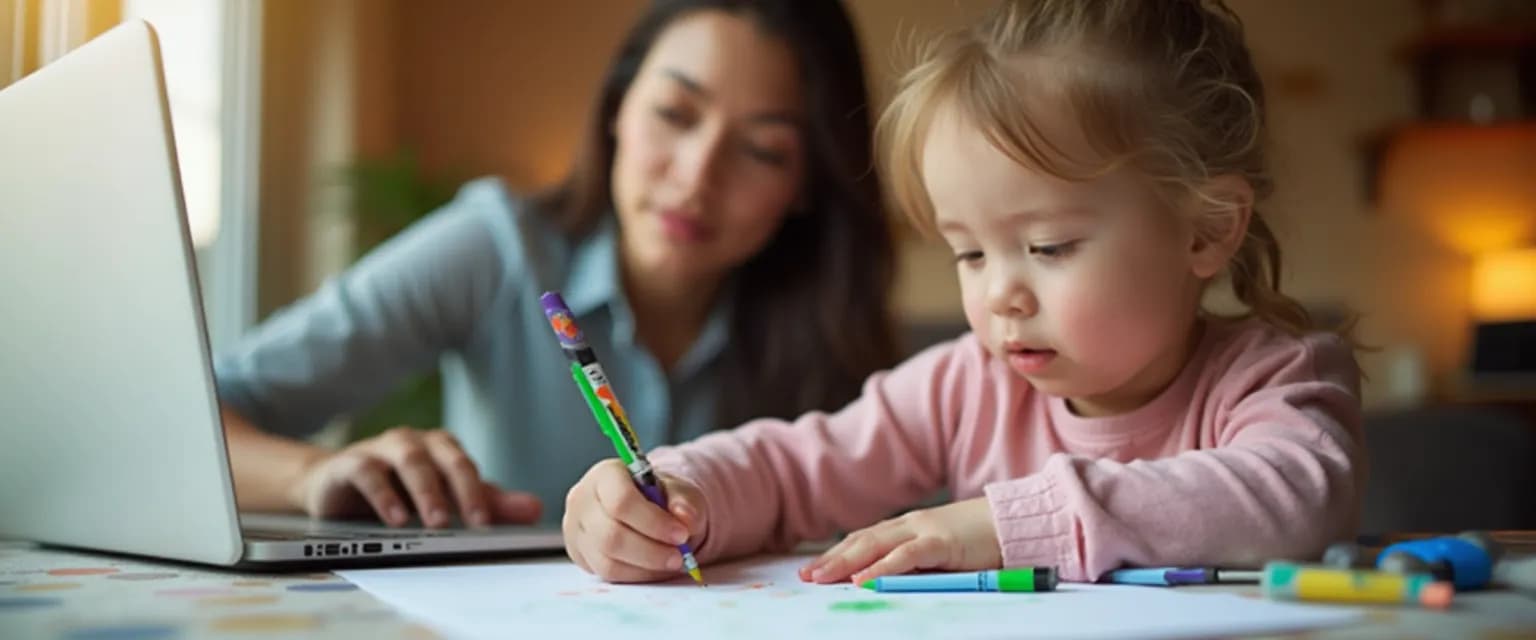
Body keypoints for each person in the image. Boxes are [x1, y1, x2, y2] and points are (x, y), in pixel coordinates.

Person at [562, 0, 1365, 584]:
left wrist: (1003, 525)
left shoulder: (1274, 376)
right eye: (969, 253)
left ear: (1206, 230)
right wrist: (680, 492)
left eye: (1048, 247)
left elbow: (1297, 494)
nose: (1001, 295)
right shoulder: (966, 386)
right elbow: (798, 466)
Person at [215, 0, 900, 529]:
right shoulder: (497, 248)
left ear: (808, 185)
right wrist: (310, 475)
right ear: (617, 110)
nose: (697, 177)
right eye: (673, 112)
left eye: (762, 151)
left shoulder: (835, 332)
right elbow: (202, 412)